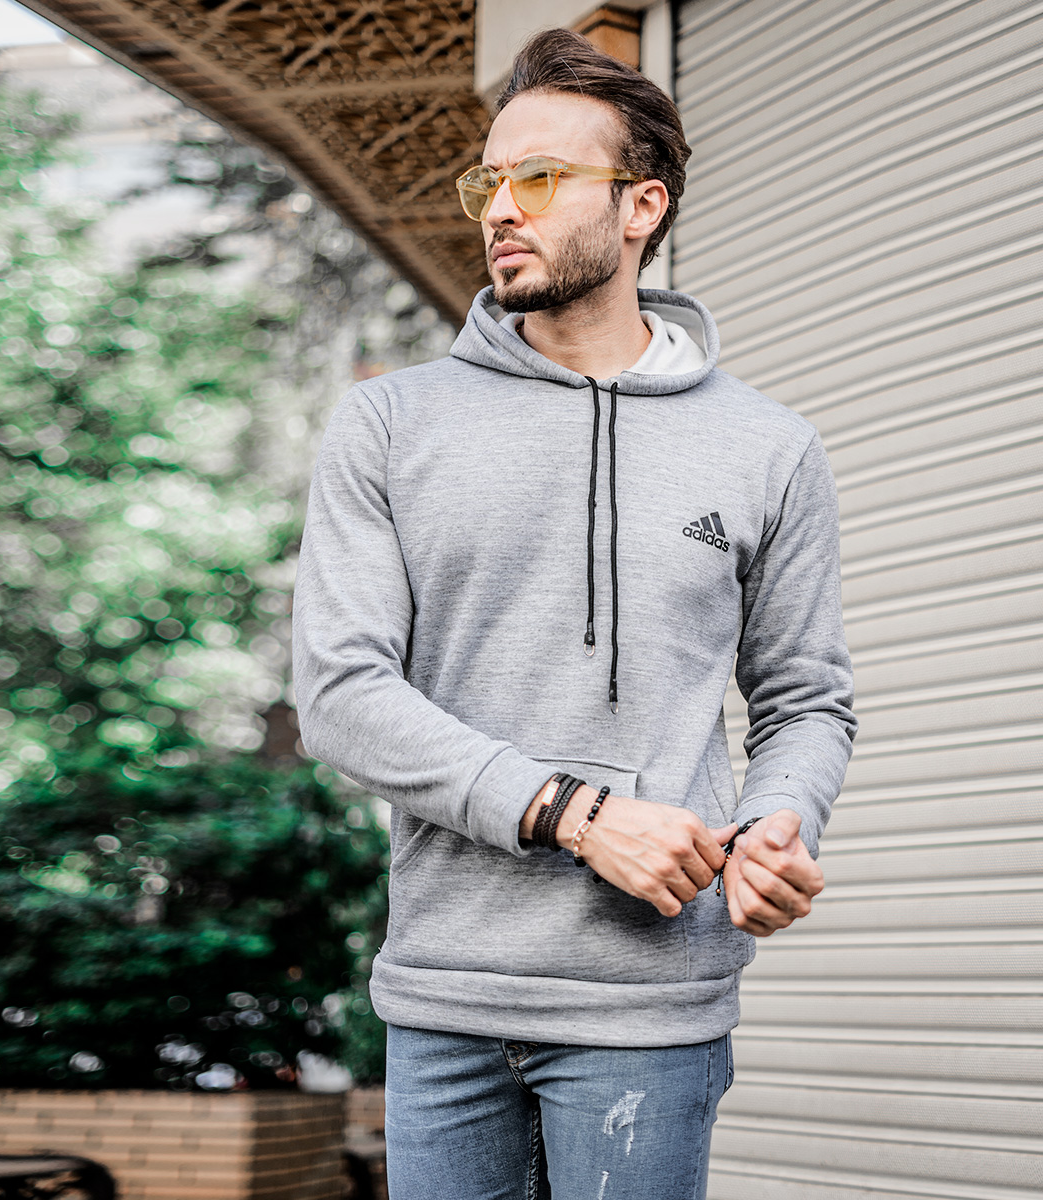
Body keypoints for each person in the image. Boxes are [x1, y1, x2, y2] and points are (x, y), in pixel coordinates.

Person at [292, 27, 856, 1200]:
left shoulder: (769, 447)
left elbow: (805, 698)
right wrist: (574, 813)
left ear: (641, 205)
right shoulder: (392, 425)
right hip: (445, 997)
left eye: (539, 178)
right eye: (489, 182)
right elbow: (342, 696)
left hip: (654, 1004)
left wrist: (777, 822)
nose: (501, 208)